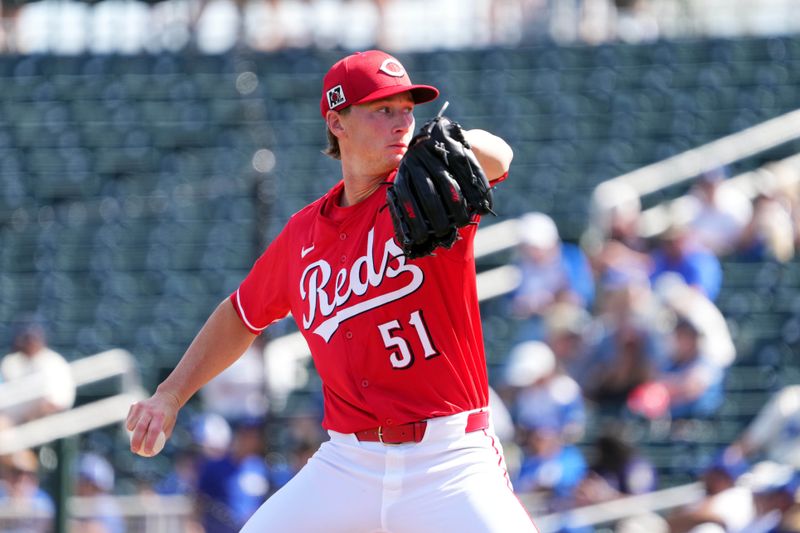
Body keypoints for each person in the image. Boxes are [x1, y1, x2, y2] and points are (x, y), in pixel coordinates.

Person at [127, 49, 537, 532]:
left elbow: (499, 157)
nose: (401, 122)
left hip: (448, 459)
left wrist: (453, 141)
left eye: (407, 109)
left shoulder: (428, 190)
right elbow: (241, 314)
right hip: (349, 462)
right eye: (382, 110)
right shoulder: (302, 236)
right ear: (337, 122)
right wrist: (171, 395)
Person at [1, 319, 76, 423]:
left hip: (46, 418)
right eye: (25, 338)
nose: (29, 342)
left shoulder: (53, 361)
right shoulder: (10, 362)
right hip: (14, 419)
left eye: (33, 338)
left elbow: (57, 402)